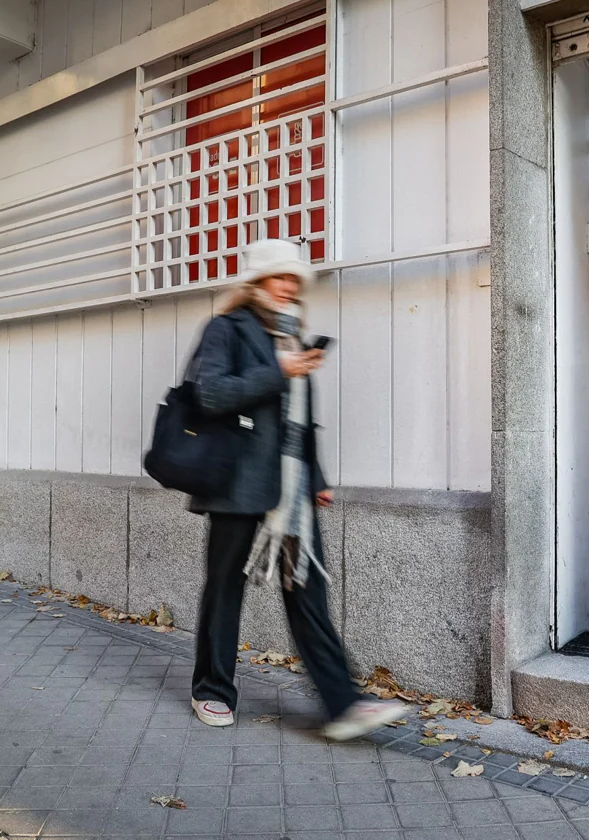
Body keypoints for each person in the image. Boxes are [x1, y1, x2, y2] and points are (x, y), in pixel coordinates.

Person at [187, 238, 406, 741]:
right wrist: (279, 371)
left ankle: (343, 705)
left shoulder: (290, 335)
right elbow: (209, 393)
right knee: (225, 588)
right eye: (280, 277)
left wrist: (318, 478)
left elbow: (299, 422)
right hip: (238, 484)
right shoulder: (226, 329)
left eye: (295, 280)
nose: (289, 286)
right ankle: (212, 691)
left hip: (292, 492)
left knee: (308, 592)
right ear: (256, 282)